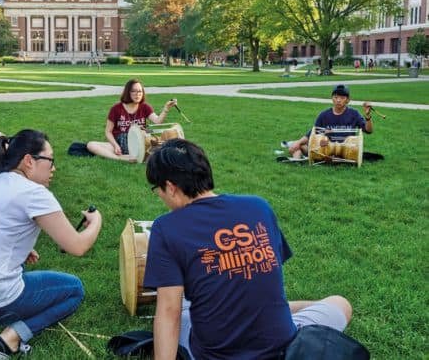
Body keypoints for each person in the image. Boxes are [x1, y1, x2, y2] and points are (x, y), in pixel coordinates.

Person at [143, 139, 353, 359]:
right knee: (340, 304)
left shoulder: (166, 227)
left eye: (156, 189)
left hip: (216, 354)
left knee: (184, 307)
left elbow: (169, 312)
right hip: (283, 349)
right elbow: (262, 277)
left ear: (170, 187)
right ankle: (273, 311)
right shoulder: (259, 206)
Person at [0, 129, 102, 358]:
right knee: (73, 289)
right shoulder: (34, 193)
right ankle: (12, 337)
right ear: (29, 161)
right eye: (50, 160)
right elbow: (77, 246)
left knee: (13, 266)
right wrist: (96, 222)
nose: (54, 168)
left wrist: (23, 248)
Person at [86, 79, 177, 162]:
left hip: (141, 142)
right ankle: (122, 158)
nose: (137, 94)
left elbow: (157, 122)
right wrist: (115, 145)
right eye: (134, 91)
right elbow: (108, 131)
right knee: (91, 145)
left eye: (140, 91)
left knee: (163, 140)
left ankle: (139, 155)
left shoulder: (145, 107)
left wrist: (166, 109)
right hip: (121, 143)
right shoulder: (116, 109)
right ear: (127, 92)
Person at [283, 84, 374, 159]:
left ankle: (296, 151)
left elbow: (369, 130)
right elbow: (312, 132)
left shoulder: (354, 114)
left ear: (348, 100)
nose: (338, 100)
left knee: (300, 146)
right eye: (336, 97)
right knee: (300, 146)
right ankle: (296, 158)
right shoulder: (324, 115)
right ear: (332, 98)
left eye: (342, 97)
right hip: (326, 150)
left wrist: (368, 116)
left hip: (347, 150)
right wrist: (298, 143)